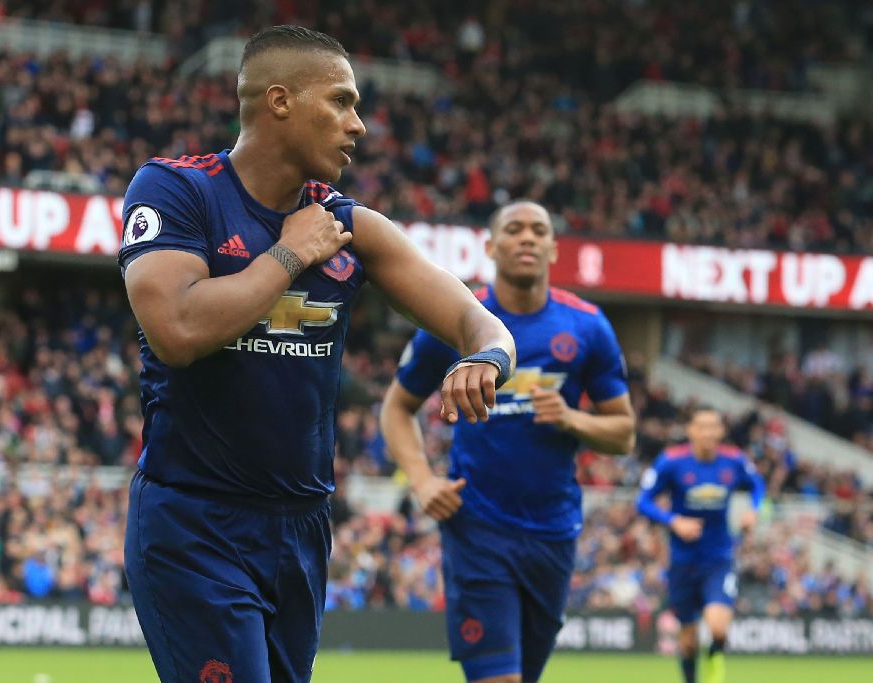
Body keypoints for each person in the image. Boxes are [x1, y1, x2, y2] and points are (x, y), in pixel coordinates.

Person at [118, 25, 516, 683]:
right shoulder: (176, 190)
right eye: (341, 102)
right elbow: (177, 330)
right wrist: (290, 253)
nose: (358, 125)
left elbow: (481, 321)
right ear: (280, 101)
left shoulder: (351, 226)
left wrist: (485, 358)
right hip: (194, 522)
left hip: (302, 528)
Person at [380, 200, 636, 683]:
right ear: (491, 246)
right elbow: (396, 408)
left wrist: (573, 420)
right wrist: (422, 480)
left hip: (553, 533)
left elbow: (623, 433)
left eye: (539, 230)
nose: (527, 238)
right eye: (514, 229)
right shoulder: (458, 319)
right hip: (477, 527)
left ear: (553, 248)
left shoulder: (587, 327)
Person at [637, 406, 765, 683]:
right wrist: (673, 521)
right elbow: (643, 501)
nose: (708, 432)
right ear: (690, 430)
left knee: (718, 627)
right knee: (688, 639)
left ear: (721, 431)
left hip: (719, 558)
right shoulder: (670, 461)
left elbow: (758, 485)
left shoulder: (735, 461)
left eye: (713, 426)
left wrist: (753, 510)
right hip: (682, 561)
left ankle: (715, 666)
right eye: (702, 426)